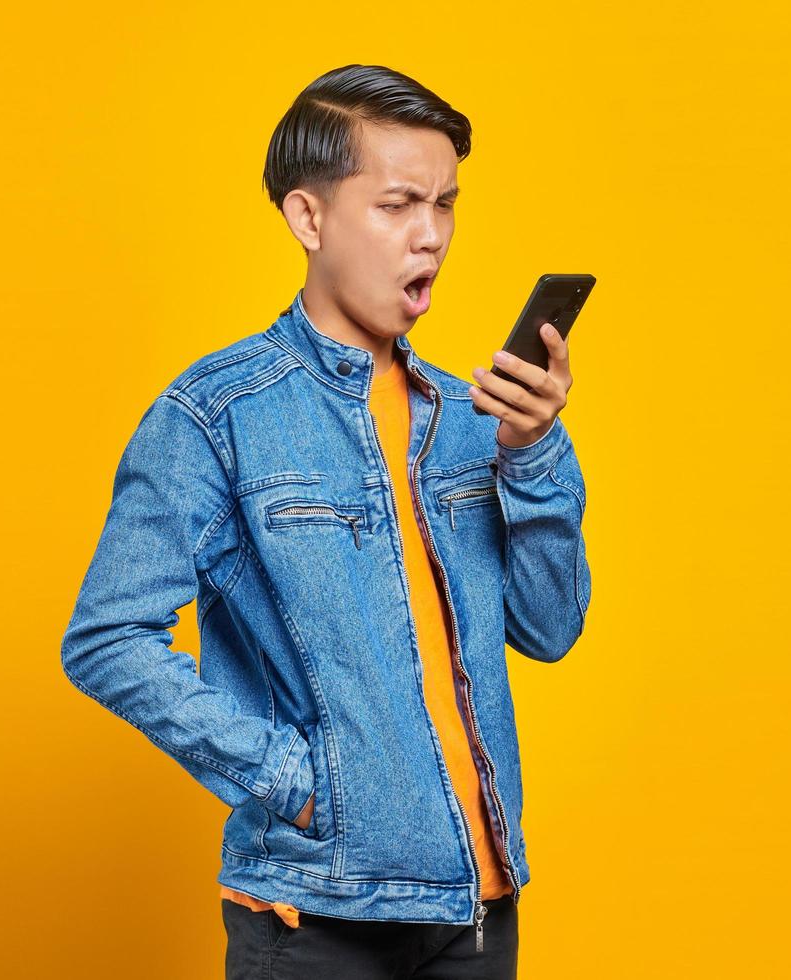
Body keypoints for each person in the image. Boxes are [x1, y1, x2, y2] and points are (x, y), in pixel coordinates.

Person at [59, 63, 590, 979]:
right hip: (315, 920)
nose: (430, 236)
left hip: (477, 909)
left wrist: (534, 451)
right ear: (308, 219)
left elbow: (549, 630)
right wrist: (295, 785)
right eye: (397, 205)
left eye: (446, 205)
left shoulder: (473, 420)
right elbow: (107, 637)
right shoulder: (215, 415)